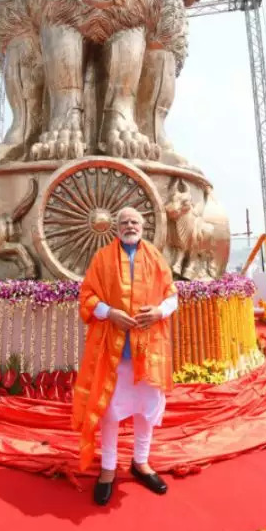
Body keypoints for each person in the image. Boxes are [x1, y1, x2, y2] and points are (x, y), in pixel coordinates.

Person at [71, 206, 180, 506]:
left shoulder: (157, 258)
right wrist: (110, 313)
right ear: (115, 227)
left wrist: (159, 311)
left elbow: (172, 296)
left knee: (146, 410)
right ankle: (107, 469)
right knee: (109, 411)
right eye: (124, 222)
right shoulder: (102, 258)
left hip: (149, 350)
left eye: (134, 221)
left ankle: (141, 461)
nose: (129, 225)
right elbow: (87, 296)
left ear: (142, 226)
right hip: (112, 349)